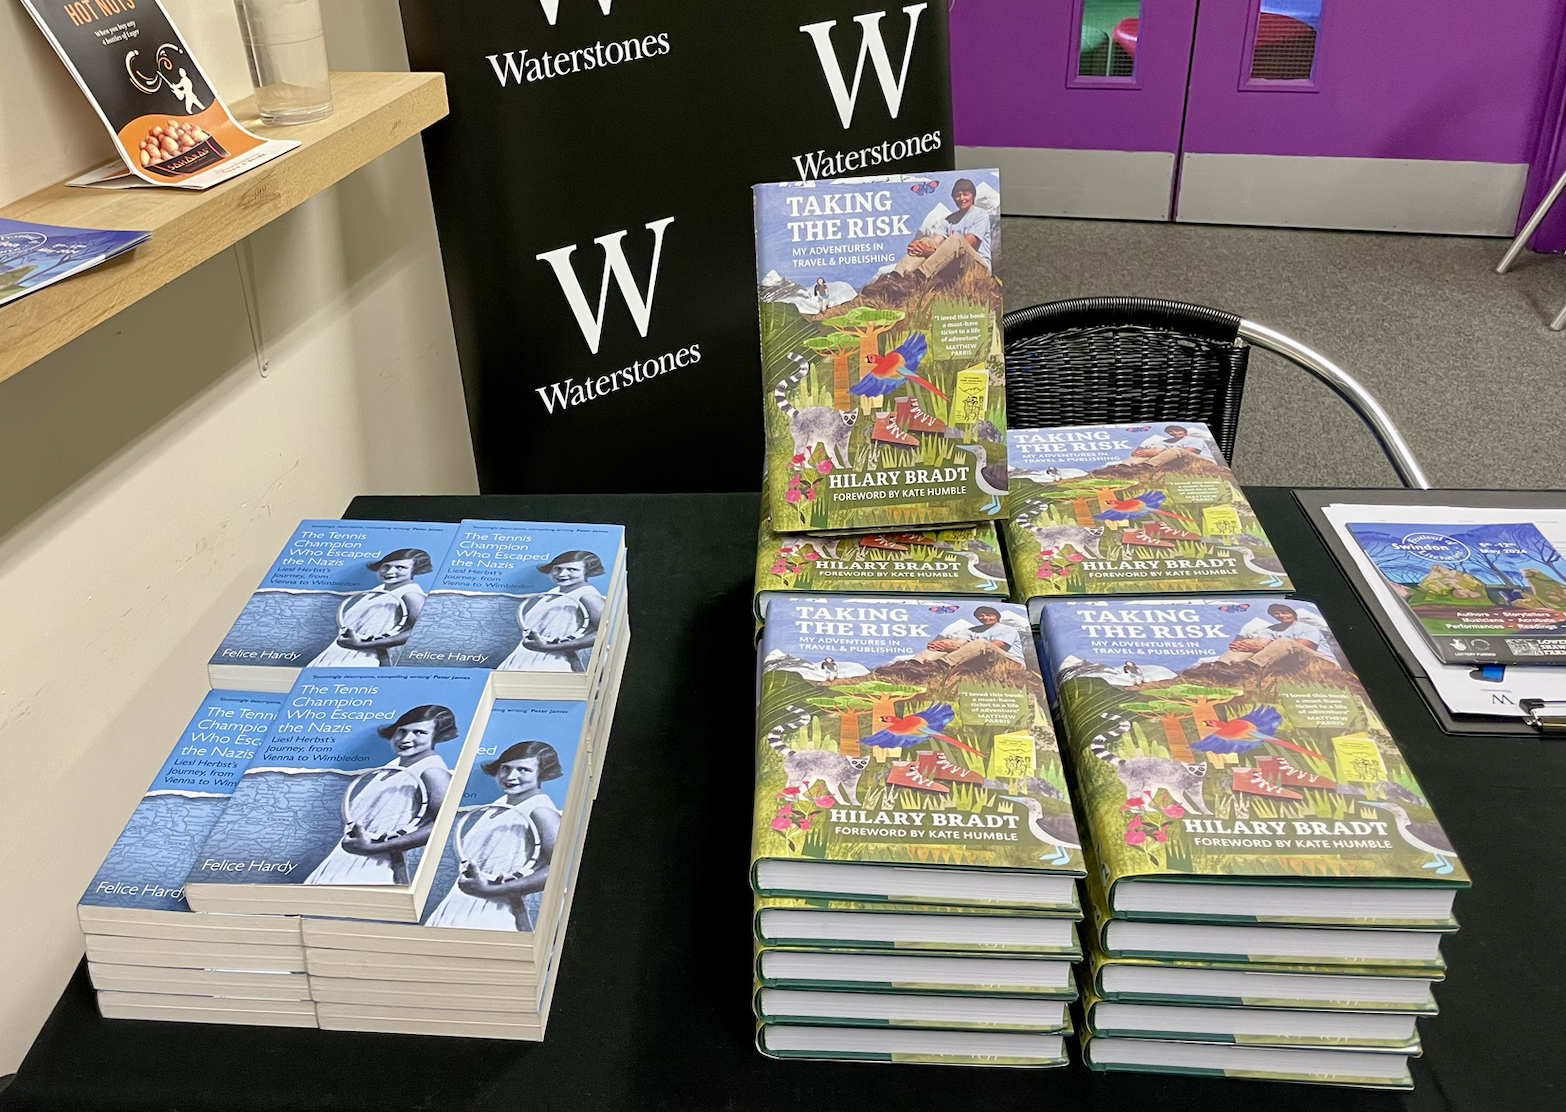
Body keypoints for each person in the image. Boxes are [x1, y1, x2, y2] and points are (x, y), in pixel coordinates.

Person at [304, 705, 457, 886]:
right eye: (401, 731)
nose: (406, 739)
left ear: (436, 736)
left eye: (419, 732)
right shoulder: (386, 771)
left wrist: (373, 848)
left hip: (372, 871)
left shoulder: (433, 772)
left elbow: (445, 826)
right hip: (339, 863)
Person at [425, 741, 564, 931]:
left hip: (494, 916)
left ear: (543, 773)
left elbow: (558, 871)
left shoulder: (541, 811)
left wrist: (491, 890)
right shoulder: (496, 808)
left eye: (523, 770)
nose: (510, 776)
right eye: (505, 768)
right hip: (455, 906)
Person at [308, 548, 431, 667]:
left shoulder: (411, 594)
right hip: (332, 656)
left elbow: (419, 632)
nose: (389, 572)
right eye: (386, 566)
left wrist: (361, 645)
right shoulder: (374, 592)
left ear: (414, 570)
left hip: (363, 660)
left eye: (400, 567)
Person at [498, 550, 605, 673]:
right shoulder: (550, 594)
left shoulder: (588, 596)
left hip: (552, 665)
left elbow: (602, 634)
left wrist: (548, 647)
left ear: (587, 572)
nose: (562, 574)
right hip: (519, 661)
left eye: (572, 569)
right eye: (557, 569)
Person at [891, 177, 992, 279]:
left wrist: (929, 252)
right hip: (955, 266)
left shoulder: (980, 214)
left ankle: (920, 277)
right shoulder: (949, 220)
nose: (962, 198)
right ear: (953, 198)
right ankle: (897, 276)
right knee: (926, 241)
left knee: (956, 240)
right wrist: (919, 246)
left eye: (966, 194)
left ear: (973, 195)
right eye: (958, 195)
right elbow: (935, 242)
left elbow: (967, 245)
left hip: (978, 267)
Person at [1219, 603, 1339, 666]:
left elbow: (1301, 647)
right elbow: (1260, 643)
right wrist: (1244, 645)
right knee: (1249, 642)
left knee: (1284, 642)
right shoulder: (1271, 629)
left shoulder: (1309, 628)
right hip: (1288, 661)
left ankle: (1251, 666)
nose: (1281, 616)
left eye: (1285, 612)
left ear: (1292, 613)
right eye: (1277, 614)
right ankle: (1222, 666)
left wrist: (1258, 648)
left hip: (1322, 661)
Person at [913, 605, 1023, 667]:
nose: (985, 618)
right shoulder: (972, 630)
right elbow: (959, 643)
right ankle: (917, 663)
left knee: (981, 643)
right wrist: (942, 644)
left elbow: (993, 647)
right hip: (981, 659)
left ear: (997, 617)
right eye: (981, 615)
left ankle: (943, 665)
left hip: (1010, 662)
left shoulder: (1008, 630)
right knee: (948, 641)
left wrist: (951, 648)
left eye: (989, 615)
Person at [1132, 424, 1216, 462]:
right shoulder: (1165, 442)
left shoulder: (1195, 440)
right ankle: (1124, 468)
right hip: (1176, 460)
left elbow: (1189, 452)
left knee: (1176, 450)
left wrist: (1162, 453)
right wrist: (1143, 452)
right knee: (1140, 455)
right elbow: (1157, 450)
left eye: (1177, 430)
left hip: (1202, 461)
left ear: (1184, 431)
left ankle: (1148, 466)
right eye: (1171, 432)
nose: (1175, 433)